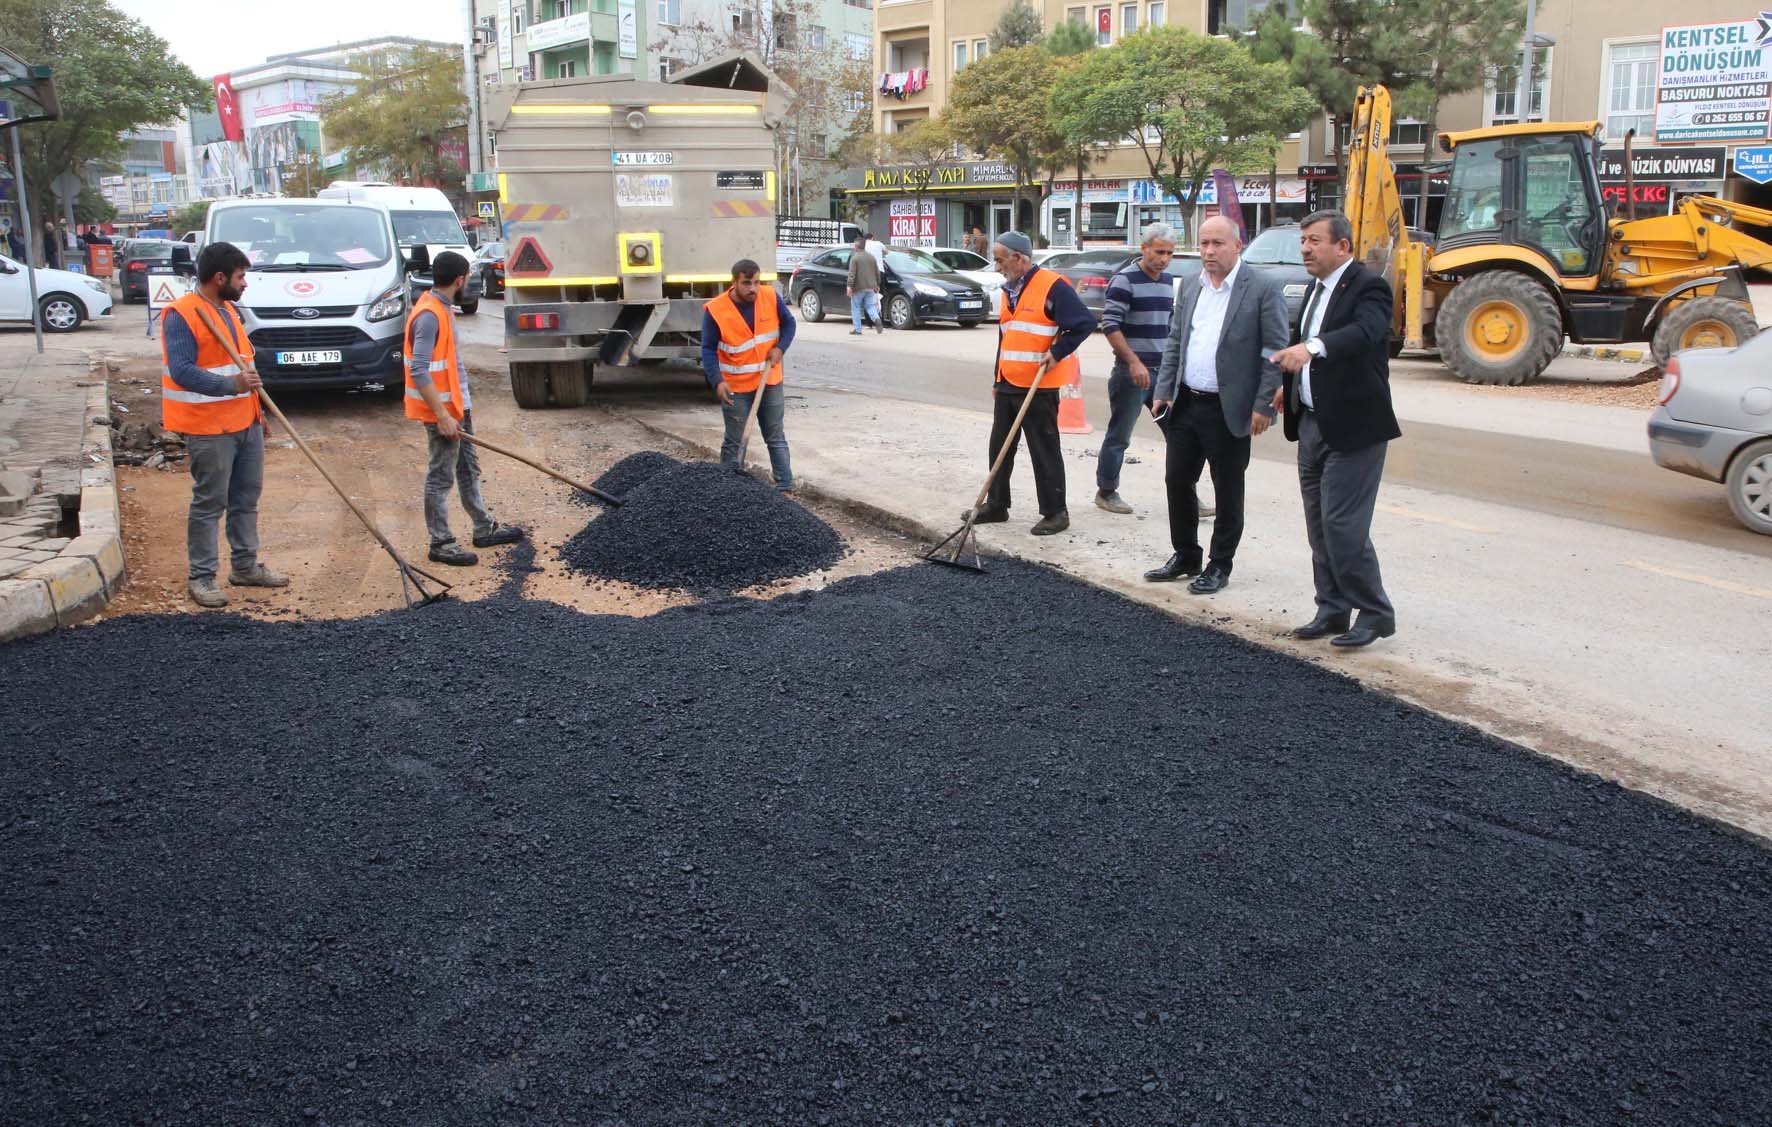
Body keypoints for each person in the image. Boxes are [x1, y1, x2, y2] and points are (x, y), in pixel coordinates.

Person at [1271, 210, 1402, 648]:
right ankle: (1332, 609)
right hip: (1311, 422)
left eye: (1314, 241)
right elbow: (1305, 347)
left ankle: (1376, 612)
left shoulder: (1369, 287)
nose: (1305, 248)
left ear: (1342, 246)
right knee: (1319, 526)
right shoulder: (1314, 289)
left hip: (1354, 428)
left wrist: (1311, 349)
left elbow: (1366, 332)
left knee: (1343, 525)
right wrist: (1289, 388)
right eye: (1302, 241)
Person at [1145, 215, 1289, 594]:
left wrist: (1264, 406)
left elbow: (1274, 350)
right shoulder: (1191, 285)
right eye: (1204, 243)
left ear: (1237, 245)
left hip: (1231, 408)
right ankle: (1186, 555)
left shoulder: (1261, 288)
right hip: (1187, 402)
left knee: (1227, 488)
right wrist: (1164, 388)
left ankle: (1219, 564)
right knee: (1177, 480)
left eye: (1217, 244)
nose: (1208, 251)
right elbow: (1176, 339)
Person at [160, 241, 288, 608]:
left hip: (244, 422)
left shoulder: (229, 311)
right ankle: (202, 577)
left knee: (246, 499)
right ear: (219, 278)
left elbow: (243, 366)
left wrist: (256, 413)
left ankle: (245, 566)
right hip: (208, 427)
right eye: (240, 276)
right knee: (209, 502)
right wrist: (228, 387)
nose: (245, 283)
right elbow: (183, 371)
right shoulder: (182, 315)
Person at [404, 251, 525, 567]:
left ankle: (483, 527)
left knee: (468, 469)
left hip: (457, 407)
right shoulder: (429, 315)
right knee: (441, 475)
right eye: (467, 276)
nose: (468, 280)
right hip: (441, 413)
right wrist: (442, 417)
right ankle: (440, 542)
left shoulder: (442, 309)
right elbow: (419, 370)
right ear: (459, 279)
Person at [971, 230, 1095, 536]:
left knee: (1044, 449)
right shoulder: (1008, 290)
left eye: (1000, 260)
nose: (997, 266)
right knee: (999, 446)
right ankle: (996, 505)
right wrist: (997, 377)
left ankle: (1055, 512)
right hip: (1009, 382)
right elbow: (1006, 337)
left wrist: (1057, 351)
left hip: (1039, 386)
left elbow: (1083, 324)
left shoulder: (1052, 286)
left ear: (1018, 258)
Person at [1095, 222, 1178, 514]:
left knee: (1179, 435)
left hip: (1162, 374)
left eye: (1169, 253)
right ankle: (1106, 491)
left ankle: (1184, 492)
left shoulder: (1167, 281)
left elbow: (1169, 326)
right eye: (1159, 252)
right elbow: (1110, 326)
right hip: (1131, 374)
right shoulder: (1124, 280)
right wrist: (1134, 362)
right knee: (1120, 435)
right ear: (1144, 248)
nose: (1164, 259)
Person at [702, 259, 796, 491]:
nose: (753, 288)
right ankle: (728, 488)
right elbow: (708, 349)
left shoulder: (770, 296)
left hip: (769, 380)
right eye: (746, 283)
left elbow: (789, 324)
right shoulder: (716, 310)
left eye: (756, 282)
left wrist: (780, 348)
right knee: (734, 439)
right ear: (734, 283)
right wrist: (717, 381)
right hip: (736, 386)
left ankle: (785, 486)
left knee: (775, 435)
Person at [846, 233, 883, 335]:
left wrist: (849, 287)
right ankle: (876, 319)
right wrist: (877, 285)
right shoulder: (871, 257)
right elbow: (877, 272)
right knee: (870, 306)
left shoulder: (855, 258)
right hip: (871, 287)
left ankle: (858, 329)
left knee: (856, 307)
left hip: (858, 288)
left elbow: (852, 274)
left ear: (856, 246)